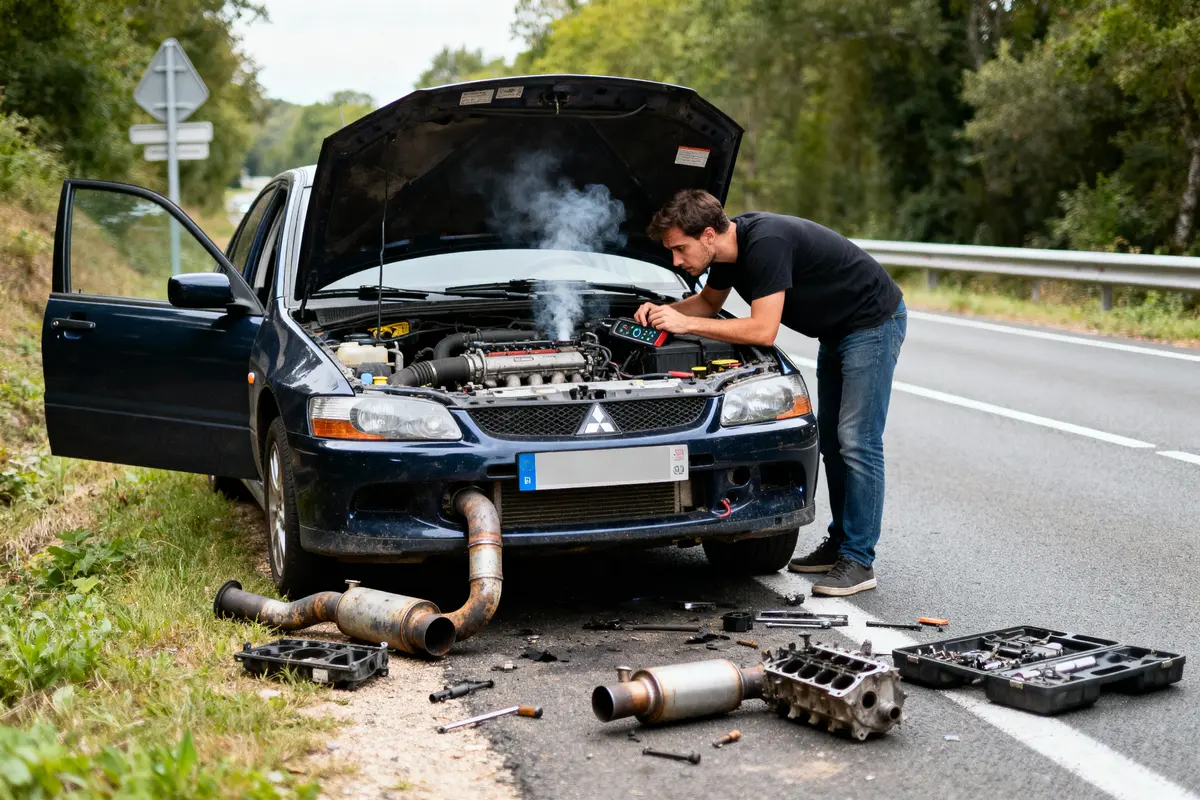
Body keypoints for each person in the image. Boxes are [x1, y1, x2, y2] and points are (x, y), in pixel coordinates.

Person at [634, 189, 906, 597]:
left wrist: (686, 325)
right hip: (837, 332)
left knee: (857, 441)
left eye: (679, 249)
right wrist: (661, 311)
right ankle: (840, 544)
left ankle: (859, 559)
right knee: (832, 441)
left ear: (708, 234)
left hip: (872, 324)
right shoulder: (728, 252)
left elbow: (762, 331)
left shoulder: (766, 244)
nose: (675, 260)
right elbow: (708, 303)